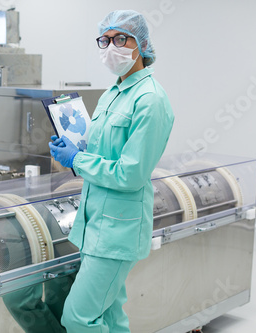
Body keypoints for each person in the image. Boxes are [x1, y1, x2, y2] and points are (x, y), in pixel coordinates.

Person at [49, 10, 175, 332]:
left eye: (121, 38)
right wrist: (73, 146)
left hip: (117, 231)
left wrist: (77, 160)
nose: (111, 47)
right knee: (109, 316)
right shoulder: (111, 94)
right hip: (96, 225)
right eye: (105, 40)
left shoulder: (150, 100)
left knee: (77, 317)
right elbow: (101, 152)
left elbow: (130, 173)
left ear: (141, 44)